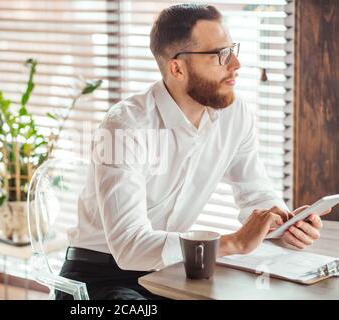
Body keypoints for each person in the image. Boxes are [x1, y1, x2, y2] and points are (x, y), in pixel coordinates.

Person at [56, 3, 330, 300]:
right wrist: (233, 243)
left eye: (232, 49)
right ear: (177, 67)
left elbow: (255, 193)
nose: (236, 64)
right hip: (97, 277)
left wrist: (282, 223)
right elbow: (129, 247)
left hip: (173, 271)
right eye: (220, 55)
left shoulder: (234, 115)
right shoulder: (125, 127)